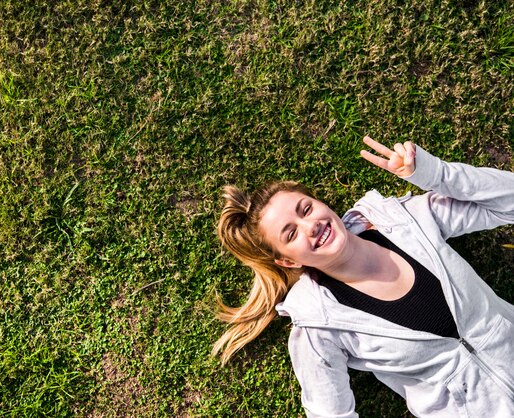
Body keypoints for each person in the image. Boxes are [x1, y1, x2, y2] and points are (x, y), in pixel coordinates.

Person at [212, 136, 514, 417]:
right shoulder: (319, 325)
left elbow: (508, 203)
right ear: (287, 260)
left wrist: (434, 174)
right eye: (291, 234)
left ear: (322, 204)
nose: (310, 226)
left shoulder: (407, 221)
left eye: (306, 209)